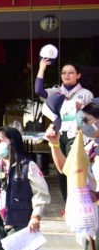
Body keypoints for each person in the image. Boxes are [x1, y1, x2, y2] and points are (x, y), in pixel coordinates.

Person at [42, 101, 99, 250]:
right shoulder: (88, 145)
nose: (82, 125)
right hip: (92, 218)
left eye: (86, 121)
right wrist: (55, 145)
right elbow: (67, 169)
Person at [35, 59, 93, 201]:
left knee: (75, 169)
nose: (67, 75)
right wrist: (42, 67)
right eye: (64, 73)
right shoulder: (56, 92)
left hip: (77, 136)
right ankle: (67, 204)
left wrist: (80, 110)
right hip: (59, 135)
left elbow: (91, 118)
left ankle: (79, 202)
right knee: (61, 171)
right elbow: (38, 90)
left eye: (71, 73)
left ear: (78, 75)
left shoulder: (85, 94)